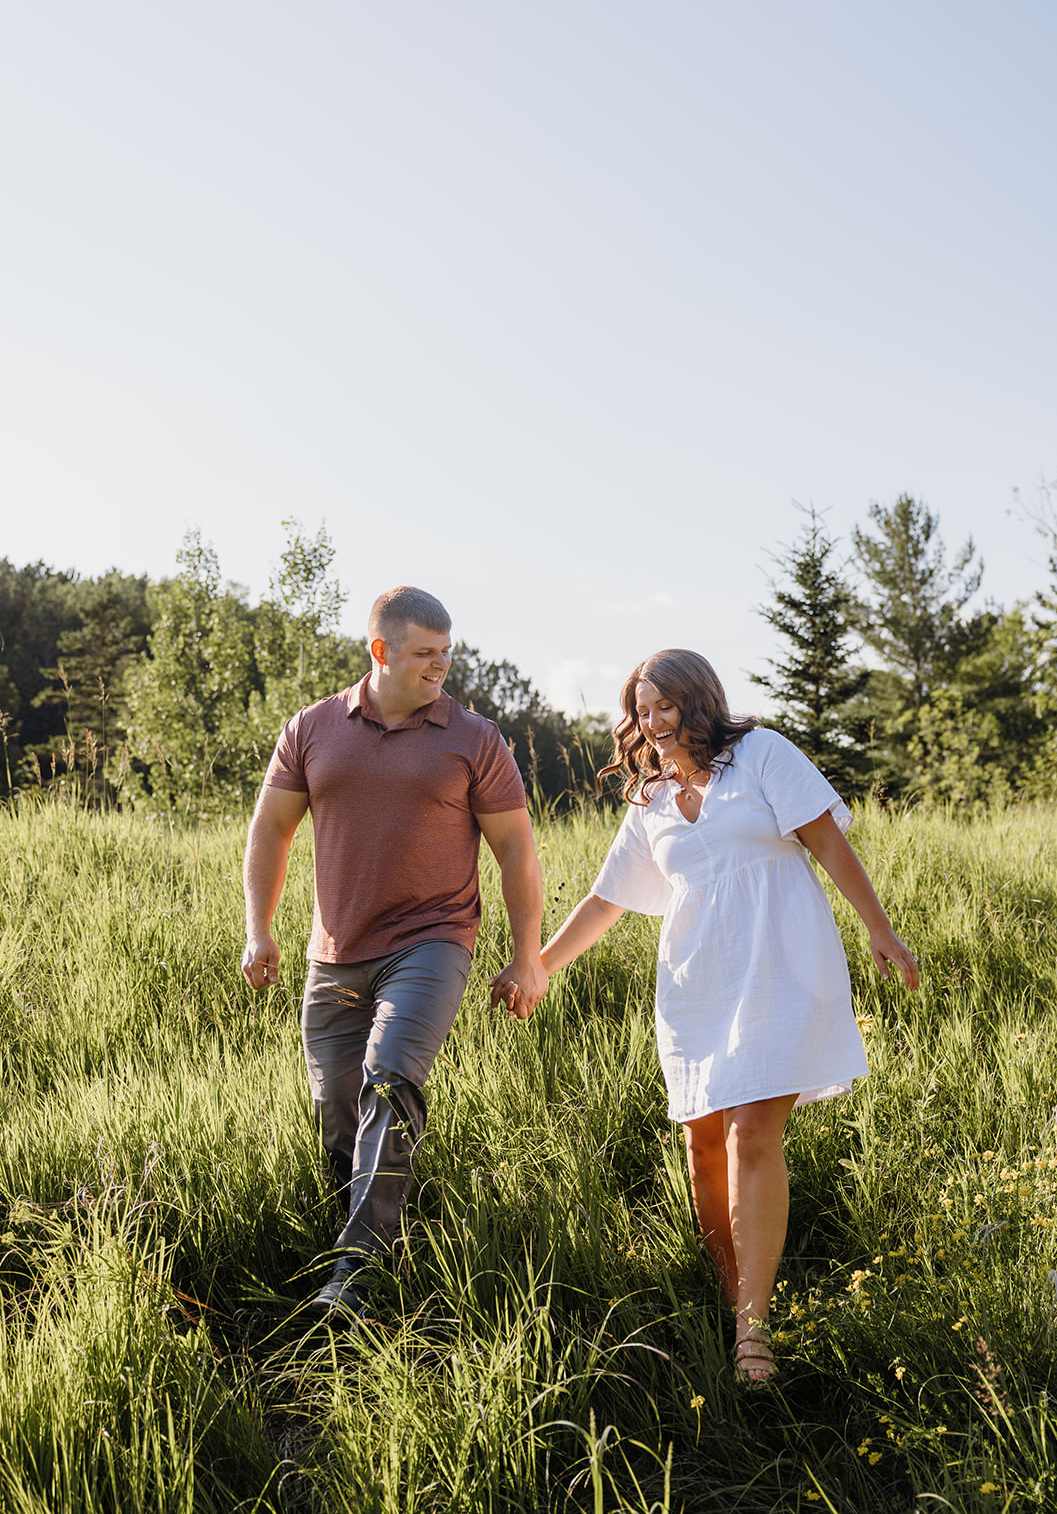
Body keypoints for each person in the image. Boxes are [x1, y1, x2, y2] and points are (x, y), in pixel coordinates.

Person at [534, 649, 918, 1384]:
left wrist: (878, 928)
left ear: (697, 701)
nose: (651, 722)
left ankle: (752, 1332)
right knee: (702, 1144)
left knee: (749, 1135)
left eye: (663, 707)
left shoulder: (761, 755)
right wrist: (540, 967)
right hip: (696, 983)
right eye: (641, 710)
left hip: (781, 965)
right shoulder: (647, 800)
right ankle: (734, 1293)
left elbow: (827, 843)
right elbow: (605, 899)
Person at [241, 585, 549, 1323]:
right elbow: (270, 831)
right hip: (335, 951)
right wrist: (259, 929)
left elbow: (516, 850)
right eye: (424, 654)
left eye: (447, 654)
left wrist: (526, 955)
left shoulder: (474, 737)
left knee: (389, 1078)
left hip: (433, 939)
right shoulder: (312, 728)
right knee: (336, 1107)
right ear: (380, 651)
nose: (440, 667)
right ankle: (358, 1242)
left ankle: (354, 1273)